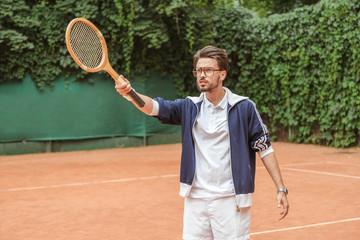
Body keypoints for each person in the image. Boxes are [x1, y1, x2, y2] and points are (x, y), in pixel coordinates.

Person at [115, 45, 289, 240]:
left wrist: (281, 188)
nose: (201, 75)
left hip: (231, 200)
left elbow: (264, 148)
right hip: (195, 199)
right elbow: (153, 107)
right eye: (198, 70)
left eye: (208, 70)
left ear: (222, 74)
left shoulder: (243, 107)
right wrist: (130, 93)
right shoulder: (189, 106)